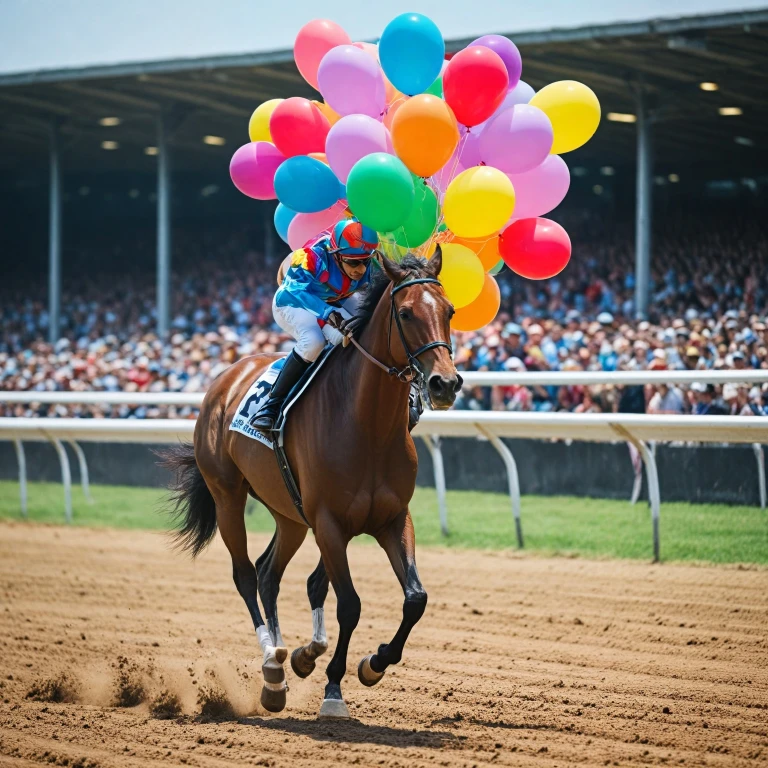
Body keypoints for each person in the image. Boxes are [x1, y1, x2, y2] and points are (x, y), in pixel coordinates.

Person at [250, 217, 378, 433]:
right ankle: (270, 406)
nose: (360, 269)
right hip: (293, 303)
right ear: (336, 255)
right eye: (353, 262)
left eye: (365, 261)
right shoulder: (309, 257)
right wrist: (328, 314)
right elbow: (295, 291)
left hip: (333, 299)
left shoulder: (366, 258)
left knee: (365, 330)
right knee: (314, 342)